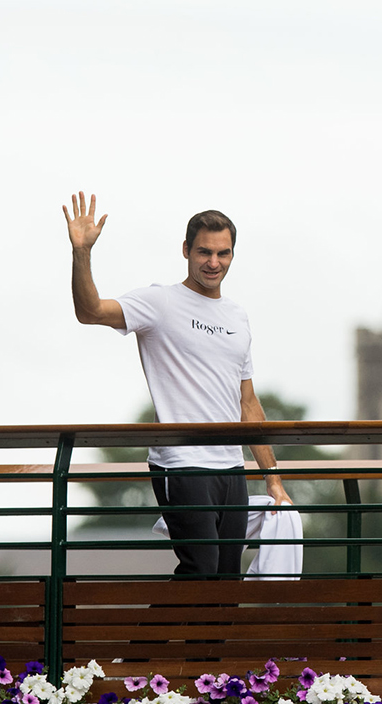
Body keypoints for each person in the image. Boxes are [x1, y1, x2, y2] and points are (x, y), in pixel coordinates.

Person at [63, 192, 292, 576]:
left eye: (223, 253)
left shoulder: (238, 316)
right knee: (200, 569)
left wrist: (273, 479)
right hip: (181, 463)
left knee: (226, 578)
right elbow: (89, 312)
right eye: (204, 252)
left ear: (233, 255)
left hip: (231, 467)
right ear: (186, 250)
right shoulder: (160, 302)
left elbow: (248, 403)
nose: (213, 262)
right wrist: (81, 253)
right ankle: (148, 640)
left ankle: (203, 640)